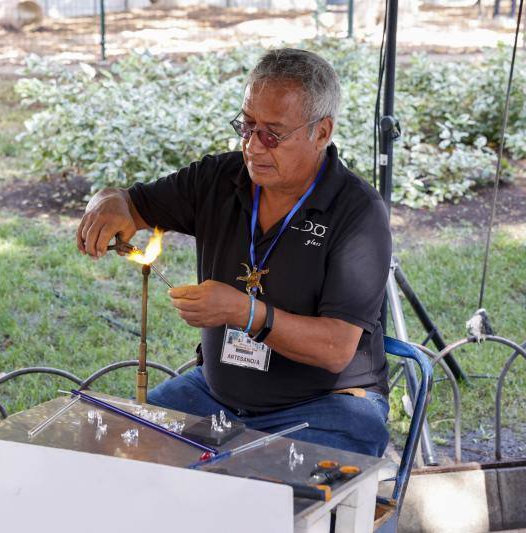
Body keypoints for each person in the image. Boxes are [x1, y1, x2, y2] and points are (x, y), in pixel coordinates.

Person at [76, 48, 392, 457]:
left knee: (252, 482)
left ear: (321, 132)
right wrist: (105, 205)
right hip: (214, 396)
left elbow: (335, 349)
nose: (253, 147)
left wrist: (245, 312)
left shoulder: (357, 212)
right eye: (247, 125)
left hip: (327, 407)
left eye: (273, 134)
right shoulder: (219, 179)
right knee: (113, 448)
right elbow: (129, 203)